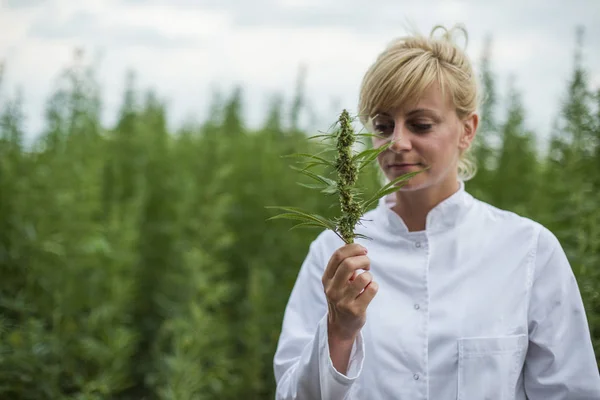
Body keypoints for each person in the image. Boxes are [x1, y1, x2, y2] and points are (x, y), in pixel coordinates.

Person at [272, 24, 600, 399]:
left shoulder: (528, 250)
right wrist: (339, 331)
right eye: (383, 125)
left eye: (420, 124)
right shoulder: (332, 252)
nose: (397, 142)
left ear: (467, 130)